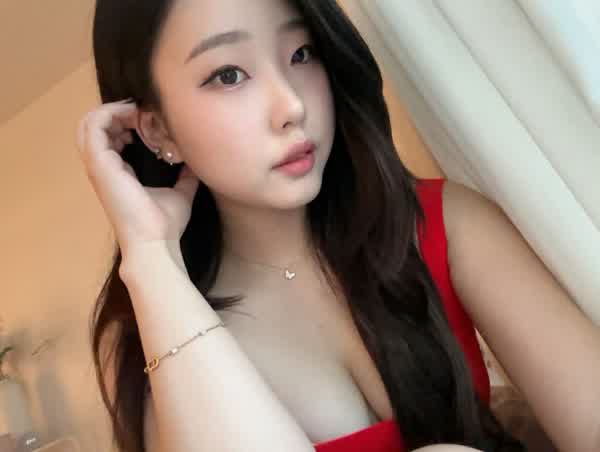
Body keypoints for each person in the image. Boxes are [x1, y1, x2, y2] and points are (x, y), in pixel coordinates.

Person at [76, 0, 600, 451]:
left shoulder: (441, 223)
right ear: (158, 129)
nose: (291, 105)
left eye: (301, 54)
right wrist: (150, 257)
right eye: (228, 75)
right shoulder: (157, 327)